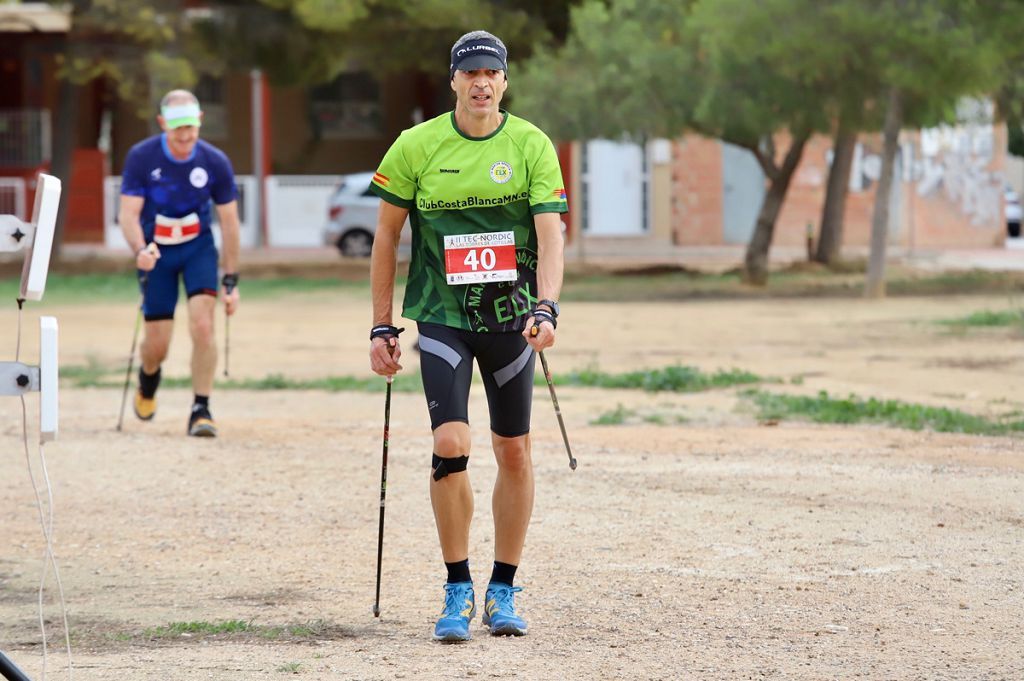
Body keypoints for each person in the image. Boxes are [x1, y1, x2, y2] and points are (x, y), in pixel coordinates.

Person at [368, 30, 567, 642]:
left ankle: (503, 587)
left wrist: (548, 305)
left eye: (493, 73)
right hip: (443, 315)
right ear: (453, 80)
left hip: (511, 319)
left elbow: (551, 232)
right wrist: (382, 323)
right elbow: (386, 238)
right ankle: (457, 585)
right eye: (470, 72)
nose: (482, 82)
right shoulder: (416, 145)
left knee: (513, 450)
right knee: (452, 442)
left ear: (505, 82)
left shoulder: (531, 144)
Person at [119, 89, 241, 437]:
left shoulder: (215, 161)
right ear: (162, 125)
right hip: (157, 251)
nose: (185, 136)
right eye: (177, 129)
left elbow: (230, 223)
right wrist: (139, 249)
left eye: (190, 126)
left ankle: (201, 408)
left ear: (200, 121)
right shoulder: (142, 157)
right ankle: (148, 377)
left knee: (203, 325)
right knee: (158, 344)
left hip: (198, 248)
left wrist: (231, 279)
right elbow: (128, 215)